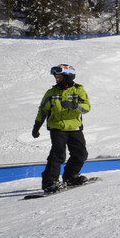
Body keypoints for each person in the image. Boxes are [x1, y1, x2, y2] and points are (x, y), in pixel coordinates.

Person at [31, 64, 91, 193]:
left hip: (74, 127)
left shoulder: (78, 90)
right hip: (57, 128)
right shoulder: (51, 93)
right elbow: (43, 110)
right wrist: (37, 126)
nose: (57, 80)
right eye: (56, 77)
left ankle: (70, 177)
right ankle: (50, 182)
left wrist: (74, 105)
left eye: (59, 77)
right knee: (58, 155)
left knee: (81, 154)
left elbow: (87, 108)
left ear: (68, 77)